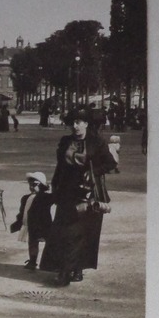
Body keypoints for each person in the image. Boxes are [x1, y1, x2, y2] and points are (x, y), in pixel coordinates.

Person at [39, 111, 119, 287]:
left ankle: (72, 270)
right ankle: (66, 269)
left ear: (86, 123)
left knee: (83, 233)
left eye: (79, 122)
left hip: (88, 192)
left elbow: (111, 163)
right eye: (72, 123)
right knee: (64, 231)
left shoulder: (97, 142)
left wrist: (94, 172)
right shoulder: (65, 141)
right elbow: (60, 166)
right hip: (66, 190)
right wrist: (55, 185)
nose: (75, 126)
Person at [10, 171, 54, 270]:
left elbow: (56, 198)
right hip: (32, 225)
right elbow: (22, 212)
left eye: (35, 185)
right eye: (30, 185)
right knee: (33, 243)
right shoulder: (25, 198)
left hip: (44, 224)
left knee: (50, 243)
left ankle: (52, 262)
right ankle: (32, 261)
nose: (32, 187)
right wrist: (19, 221)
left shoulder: (46, 197)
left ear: (42, 185)